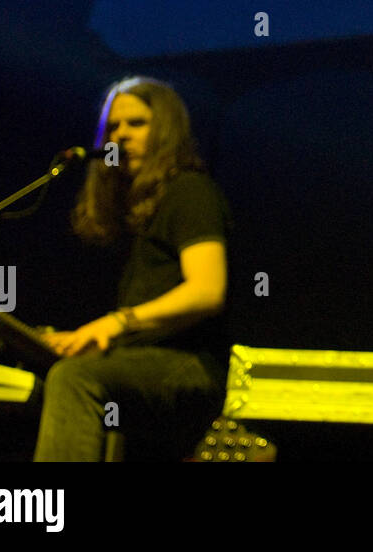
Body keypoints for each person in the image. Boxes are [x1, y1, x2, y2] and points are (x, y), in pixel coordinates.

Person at [34, 77, 231, 461]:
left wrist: (116, 322)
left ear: (167, 130)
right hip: (146, 361)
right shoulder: (136, 211)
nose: (120, 135)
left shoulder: (190, 191)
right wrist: (78, 338)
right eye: (112, 127)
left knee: (76, 379)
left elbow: (207, 290)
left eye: (136, 123)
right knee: (54, 370)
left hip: (189, 368)